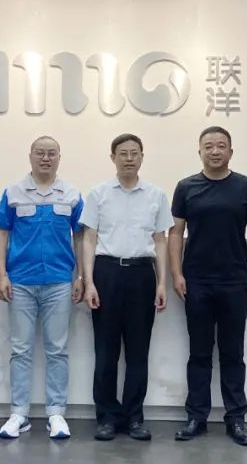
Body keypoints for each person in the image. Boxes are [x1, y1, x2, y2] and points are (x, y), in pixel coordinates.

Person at [169, 126, 247, 446]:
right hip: (196, 280)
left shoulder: (245, 186)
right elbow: (175, 233)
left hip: (234, 280)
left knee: (232, 352)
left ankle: (235, 419)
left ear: (231, 152)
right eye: (208, 146)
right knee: (198, 352)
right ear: (199, 151)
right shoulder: (186, 187)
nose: (215, 151)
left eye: (221, 146)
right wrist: (176, 273)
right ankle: (196, 417)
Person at [0, 136, 84, 440]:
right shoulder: (13, 192)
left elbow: (81, 237)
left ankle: (56, 413)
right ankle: (19, 413)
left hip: (59, 281)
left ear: (59, 157)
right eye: (40, 153)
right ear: (30, 156)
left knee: (57, 350)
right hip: (20, 282)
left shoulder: (71, 194)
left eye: (51, 153)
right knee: (20, 350)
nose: (46, 158)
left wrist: (81, 276)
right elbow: (1, 233)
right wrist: (1, 275)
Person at [81, 133, 173, 441]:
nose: (129, 158)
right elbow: (89, 239)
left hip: (142, 275)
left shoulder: (156, 195)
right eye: (123, 153)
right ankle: (107, 417)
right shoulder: (98, 194)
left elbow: (160, 240)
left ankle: (134, 417)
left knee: (138, 352)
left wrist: (162, 282)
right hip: (106, 273)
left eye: (135, 153)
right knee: (105, 351)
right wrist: (89, 282)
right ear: (113, 158)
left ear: (142, 157)